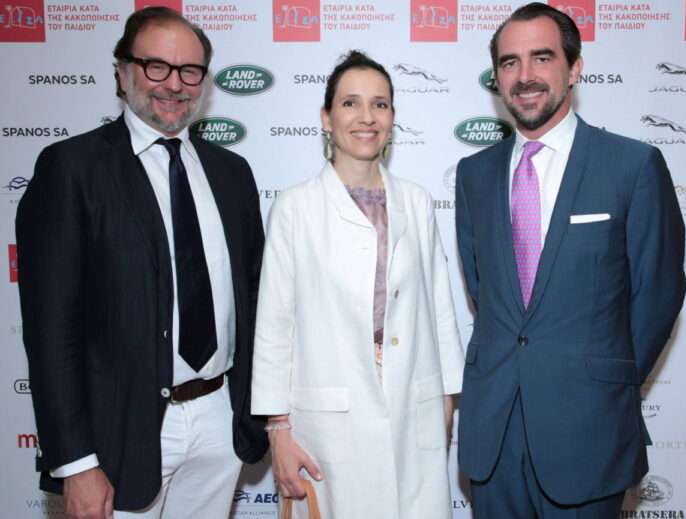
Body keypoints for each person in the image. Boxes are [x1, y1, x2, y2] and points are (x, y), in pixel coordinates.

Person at [16, 7, 267, 518]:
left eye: (190, 71)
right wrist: (75, 462)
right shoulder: (72, 168)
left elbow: (255, 297)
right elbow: (50, 331)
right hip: (119, 433)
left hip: (220, 419)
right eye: (157, 66)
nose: (174, 84)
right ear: (122, 72)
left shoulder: (232, 173)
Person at [455, 3, 686, 518]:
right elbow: (485, 290)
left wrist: (601, 383)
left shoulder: (632, 165)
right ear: (497, 77)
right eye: (510, 62)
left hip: (589, 429)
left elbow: (658, 295)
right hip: (494, 433)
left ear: (574, 67)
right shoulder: (474, 174)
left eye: (542, 58)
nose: (525, 76)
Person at [251, 50, 464, 519]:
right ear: (326, 118)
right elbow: (274, 325)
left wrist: (447, 395)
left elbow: (439, 306)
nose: (367, 117)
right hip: (328, 421)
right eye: (350, 103)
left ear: (392, 118)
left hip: (414, 403)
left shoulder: (417, 201)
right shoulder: (295, 207)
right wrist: (277, 429)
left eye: (379, 104)